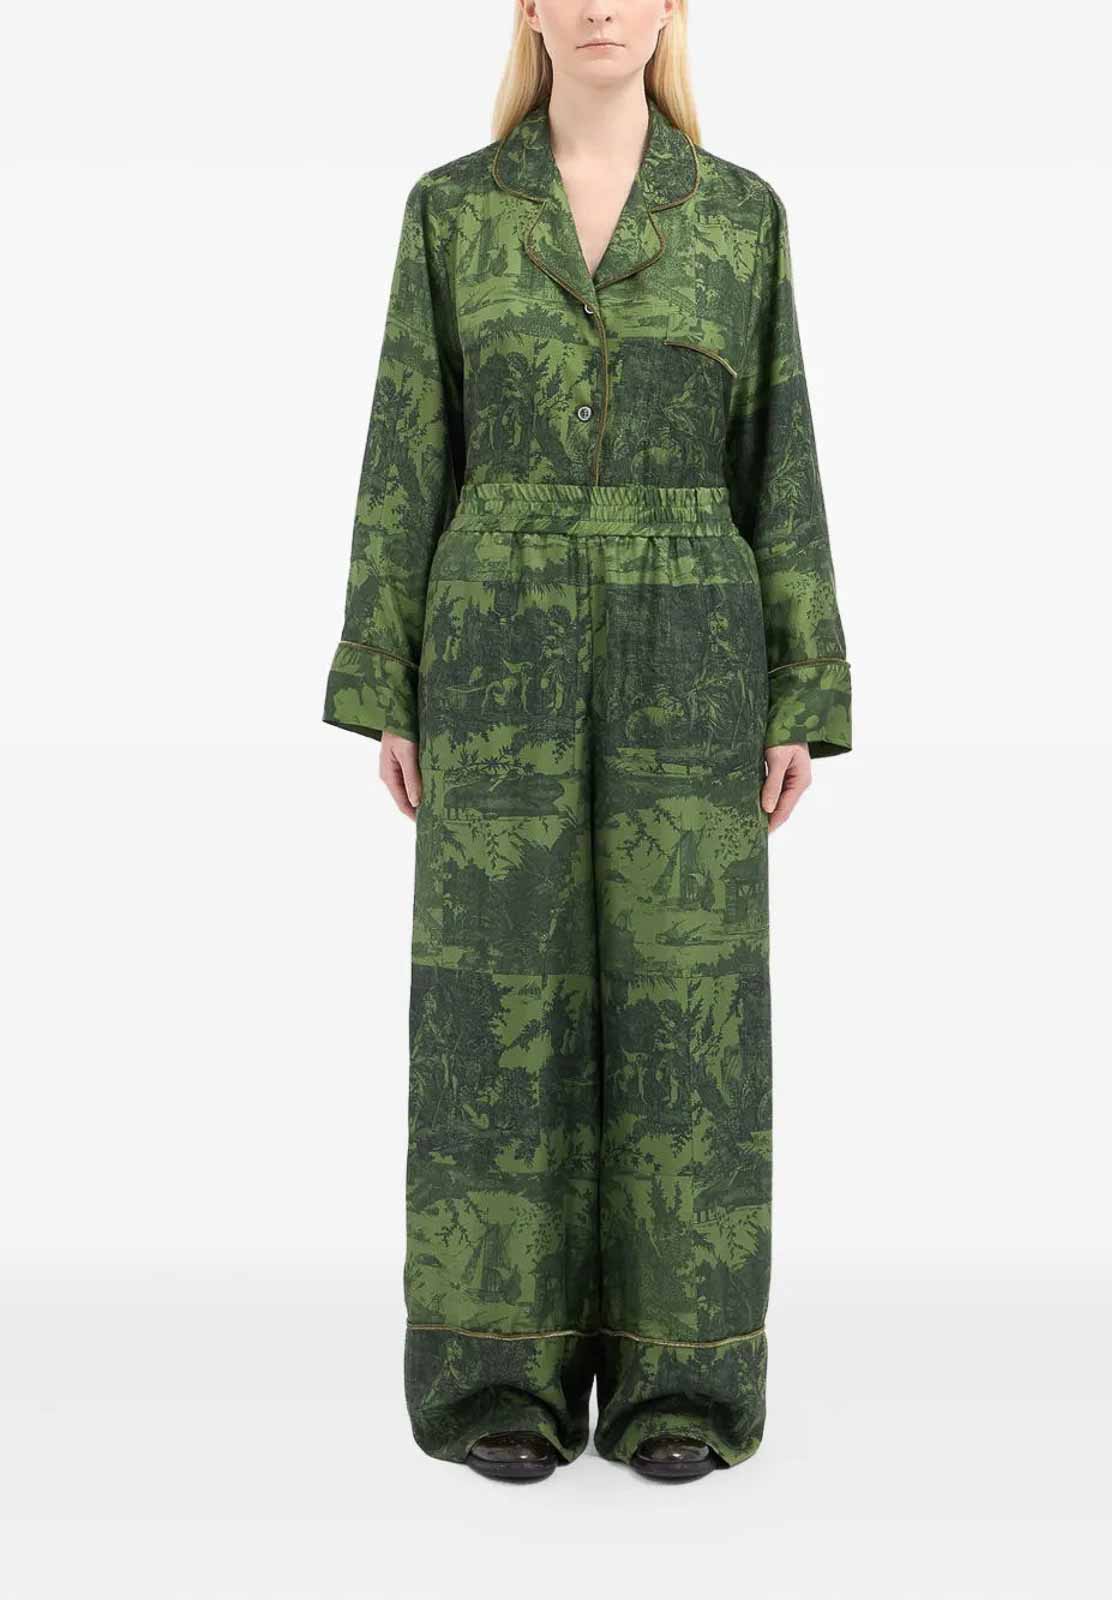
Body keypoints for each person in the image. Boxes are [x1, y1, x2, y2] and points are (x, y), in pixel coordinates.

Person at [322, 0, 852, 1484]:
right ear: (532, 9)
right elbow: (408, 444)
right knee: (497, 1004)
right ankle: (499, 1379)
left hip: (694, 644)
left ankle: (685, 1386)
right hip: (496, 639)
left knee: (691, 1011)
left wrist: (799, 689)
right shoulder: (454, 212)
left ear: (672, 6)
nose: (602, 5)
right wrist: (392, 680)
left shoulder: (738, 216)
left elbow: (780, 455)